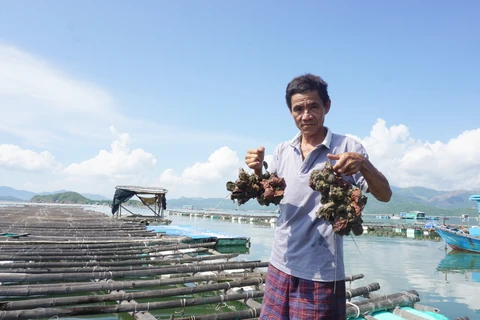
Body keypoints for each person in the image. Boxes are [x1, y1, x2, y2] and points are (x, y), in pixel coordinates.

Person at [245, 74, 392, 319]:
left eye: (314, 106)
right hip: (280, 264)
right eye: (298, 108)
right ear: (290, 112)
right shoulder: (283, 149)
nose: (306, 115)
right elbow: (267, 196)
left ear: (327, 106)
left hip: (321, 274)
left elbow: (385, 195)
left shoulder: (348, 147)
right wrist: (258, 170)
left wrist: (364, 165)